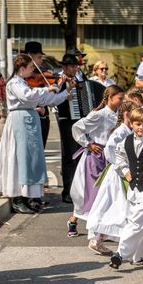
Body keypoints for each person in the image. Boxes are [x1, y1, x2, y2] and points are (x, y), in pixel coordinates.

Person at [0, 54, 68, 214]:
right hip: (19, 121)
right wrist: (47, 88)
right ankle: (17, 198)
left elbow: (45, 99)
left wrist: (61, 91)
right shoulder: (14, 83)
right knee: (19, 159)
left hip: (28, 120)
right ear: (22, 68)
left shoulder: (23, 83)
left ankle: (27, 197)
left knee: (31, 159)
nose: (33, 70)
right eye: (31, 67)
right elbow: (28, 95)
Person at [109, 108, 143, 269]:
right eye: (137, 124)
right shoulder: (126, 141)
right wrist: (125, 170)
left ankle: (121, 254)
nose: (141, 127)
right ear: (132, 124)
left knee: (136, 222)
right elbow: (118, 156)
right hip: (134, 189)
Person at [68, 85, 125, 238]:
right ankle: (78, 222)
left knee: (107, 193)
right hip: (97, 156)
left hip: (111, 155)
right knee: (92, 192)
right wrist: (88, 144)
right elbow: (77, 127)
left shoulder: (119, 115)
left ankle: (103, 228)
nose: (122, 101)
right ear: (110, 97)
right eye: (119, 98)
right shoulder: (99, 115)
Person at [86, 100, 138, 242]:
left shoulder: (129, 131)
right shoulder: (120, 132)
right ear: (127, 114)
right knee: (113, 206)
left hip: (125, 170)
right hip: (117, 172)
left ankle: (106, 238)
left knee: (119, 207)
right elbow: (109, 150)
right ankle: (99, 237)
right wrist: (121, 167)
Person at [55, 53, 86, 204]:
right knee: (68, 156)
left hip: (81, 120)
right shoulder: (58, 79)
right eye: (73, 66)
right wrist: (65, 88)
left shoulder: (81, 78)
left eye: (76, 66)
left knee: (80, 155)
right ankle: (66, 191)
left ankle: (79, 189)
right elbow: (55, 97)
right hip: (66, 120)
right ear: (65, 67)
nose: (75, 69)